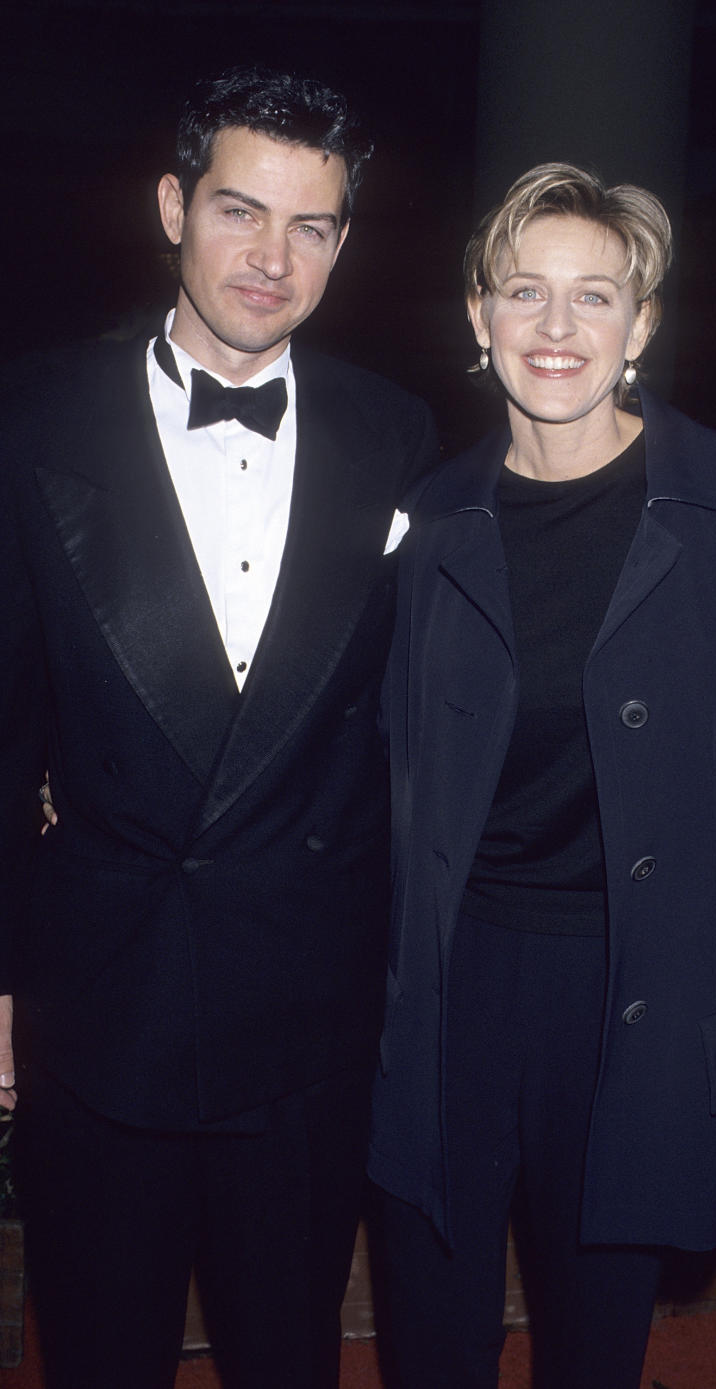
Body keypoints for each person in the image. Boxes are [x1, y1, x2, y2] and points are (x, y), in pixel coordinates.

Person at [367, 163, 716, 1389]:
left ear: (641, 325)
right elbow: (358, 745)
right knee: (434, 1338)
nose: (557, 329)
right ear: (477, 319)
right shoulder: (429, 520)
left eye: (595, 297)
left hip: (636, 985)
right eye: (525, 294)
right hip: (454, 982)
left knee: (596, 1346)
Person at [0, 66, 435, 1389]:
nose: (273, 255)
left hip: (305, 1019)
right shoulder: (28, 418)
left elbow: (418, 723)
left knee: (286, 1356)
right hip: (98, 1005)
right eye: (241, 210)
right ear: (172, 206)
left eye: (312, 224)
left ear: (345, 240)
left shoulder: (400, 433)